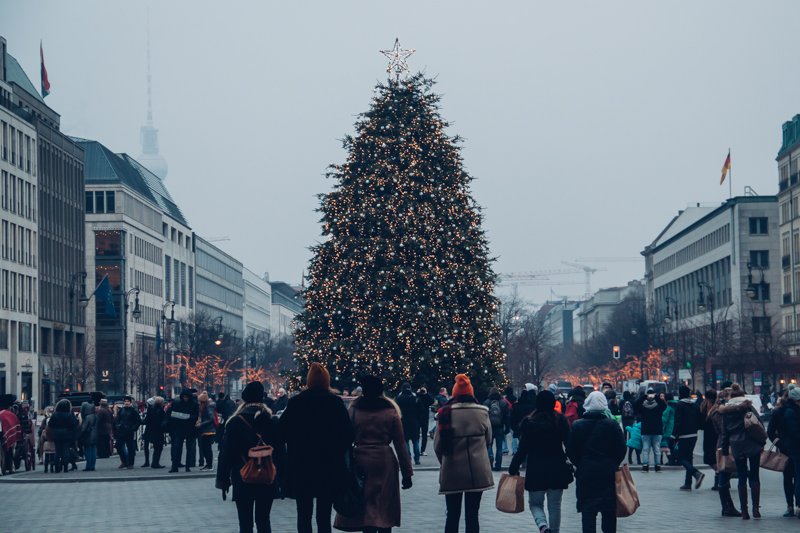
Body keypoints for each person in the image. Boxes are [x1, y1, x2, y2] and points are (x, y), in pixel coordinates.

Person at [334, 375, 414, 533]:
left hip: (360, 458)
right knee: (384, 504)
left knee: (366, 505)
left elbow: (344, 437)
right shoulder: (390, 411)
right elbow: (400, 444)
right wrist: (407, 473)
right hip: (384, 461)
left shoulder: (354, 410)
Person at [280, 363, 354, 533]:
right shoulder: (334, 403)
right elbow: (348, 434)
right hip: (328, 465)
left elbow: (282, 432)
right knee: (324, 514)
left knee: (303, 513)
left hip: (301, 465)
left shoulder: (296, 402)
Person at [217, 381, 285, 533]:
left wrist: (223, 479)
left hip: (242, 475)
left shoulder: (235, 422)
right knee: (263, 519)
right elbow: (280, 452)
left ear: (245, 399)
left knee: (245, 522)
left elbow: (226, 453)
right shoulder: (272, 421)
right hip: (267, 476)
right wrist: (282, 478)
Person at [434, 374, 493, 533]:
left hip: (453, 468)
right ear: (471, 393)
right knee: (473, 514)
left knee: (452, 514)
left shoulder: (445, 413)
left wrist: (444, 462)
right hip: (477, 471)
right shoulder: (482, 412)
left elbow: (438, 446)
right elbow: (488, 440)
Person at [509, 390, 572, 533]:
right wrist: (577, 463)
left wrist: (513, 467)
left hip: (536, 469)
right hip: (557, 468)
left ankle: (543, 527)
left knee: (535, 504)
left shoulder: (529, 422)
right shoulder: (560, 421)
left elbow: (522, 449)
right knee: (555, 505)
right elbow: (569, 445)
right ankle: (554, 530)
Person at [567, 391, 626, 533]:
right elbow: (621, 448)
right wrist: (613, 463)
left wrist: (580, 463)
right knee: (609, 510)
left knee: (588, 510)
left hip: (586, 472)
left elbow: (571, 450)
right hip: (608, 472)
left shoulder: (577, 425)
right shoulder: (612, 425)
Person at [720, 383, 765, 520]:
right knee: (755, 475)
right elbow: (759, 423)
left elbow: (724, 432)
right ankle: (756, 509)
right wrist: (762, 441)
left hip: (736, 445)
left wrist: (724, 448)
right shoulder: (748, 407)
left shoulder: (726, 411)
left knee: (742, 476)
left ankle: (744, 511)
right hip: (752, 443)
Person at [768, 386, 800, 518]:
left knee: (788, 478)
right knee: (797, 476)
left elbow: (770, 432)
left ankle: (790, 506)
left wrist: (780, 444)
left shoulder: (778, 411)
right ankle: (797, 506)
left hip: (785, 449)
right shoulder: (794, 411)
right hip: (795, 449)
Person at [710, 387, 741, 517]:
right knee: (724, 475)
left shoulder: (716, 411)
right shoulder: (721, 412)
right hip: (726, 445)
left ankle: (727, 506)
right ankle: (727, 507)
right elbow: (723, 431)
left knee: (725, 475)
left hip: (723, 444)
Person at [672, 385, 705, 491]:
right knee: (689, 458)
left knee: (680, 458)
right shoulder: (695, 405)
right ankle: (688, 483)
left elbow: (677, 421)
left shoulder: (680, 405)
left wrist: (674, 435)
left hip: (683, 435)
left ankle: (696, 473)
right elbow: (700, 419)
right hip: (693, 435)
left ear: (680, 394)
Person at [167, 389, 199, 473]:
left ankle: (187, 466)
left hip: (188, 428)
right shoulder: (178, 404)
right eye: (184, 397)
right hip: (180, 428)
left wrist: (188, 417)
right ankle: (175, 466)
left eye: (186, 397)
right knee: (177, 448)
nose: (185, 398)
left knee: (189, 448)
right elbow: (172, 414)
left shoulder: (194, 404)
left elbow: (196, 416)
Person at [634, 387, 666, 472]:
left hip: (645, 430)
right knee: (657, 449)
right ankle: (657, 466)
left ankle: (645, 466)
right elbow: (664, 405)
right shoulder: (658, 406)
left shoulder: (643, 406)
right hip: (657, 430)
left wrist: (644, 397)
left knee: (645, 449)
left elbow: (636, 405)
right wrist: (656, 397)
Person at [47, 399, 78, 473]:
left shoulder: (55, 415)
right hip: (66, 435)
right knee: (66, 451)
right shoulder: (69, 415)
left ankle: (57, 467)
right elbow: (74, 426)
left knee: (57, 451)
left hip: (56, 434)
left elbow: (50, 425)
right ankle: (65, 468)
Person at [483, 387, 510, 471]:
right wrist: (507, 428)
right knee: (499, 448)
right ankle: (498, 466)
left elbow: (483, 416)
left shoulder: (486, 402)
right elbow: (507, 416)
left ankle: (490, 464)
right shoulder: (502, 402)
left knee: (489, 446)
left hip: (489, 427)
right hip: (500, 427)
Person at [395, 383, 421, 465]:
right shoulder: (415, 398)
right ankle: (417, 459)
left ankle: (408, 458)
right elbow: (420, 410)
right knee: (415, 441)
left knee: (405, 441)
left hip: (403, 422)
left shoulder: (399, 398)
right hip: (414, 421)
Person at [113, 395, 141, 469]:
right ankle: (124, 461)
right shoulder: (121, 410)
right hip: (122, 431)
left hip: (129, 431)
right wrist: (117, 425)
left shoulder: (133, 411)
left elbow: (138, 421)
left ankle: (130, 463)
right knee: (118, 446)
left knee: (130, 448)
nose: (126, 403)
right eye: (125, 401)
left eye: (128, 401)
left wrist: (133, 428)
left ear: (130, 402)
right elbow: (118, 419)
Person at [699, 389, 719, 489]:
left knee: (710, 459)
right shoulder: (719, 407)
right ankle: (719, 478)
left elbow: (701, 424)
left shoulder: (704, 407)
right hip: (718, 436)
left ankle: (719, 474)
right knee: (717, 458)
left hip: (708, 436)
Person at [142, 396, 166, 468]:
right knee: (158, 448)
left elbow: (147, 420)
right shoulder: (161, 410)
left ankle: (148, 462)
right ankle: (155, 462)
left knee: (148, 446)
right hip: (158, 431)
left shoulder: (150, 409)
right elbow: (163, 420)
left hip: (149, 430)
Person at [510, 389, 535, 456]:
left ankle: (522, 460)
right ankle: (526, 462)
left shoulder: (516, 406)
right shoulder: (532, 406)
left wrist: (514, 428)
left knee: (521, 445)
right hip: (529, 428)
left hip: (518, 428)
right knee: (527, 445)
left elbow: (512, 418)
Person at [0, 394, 21, 474]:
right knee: (10, 449)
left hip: (2, 433)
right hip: (5, 434)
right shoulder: (11, 415)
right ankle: (11, 466)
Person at [197, 392, 217, 471]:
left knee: (206, 448)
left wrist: (201, 424)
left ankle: (209, 465)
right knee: (206, 448)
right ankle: (208, 464)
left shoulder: (208, 407)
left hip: (208, 430)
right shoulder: (208, 406)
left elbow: (211, 419)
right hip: (208, 430)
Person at [79, 402, 97, 471]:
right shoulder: (95, 415)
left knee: (88, 451)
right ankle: (92, 466)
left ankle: (88, 466)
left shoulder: (87, 417)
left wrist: (81, 434)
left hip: (88, 435)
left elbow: (84, 429)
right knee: (93, 450)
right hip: (95, 435)